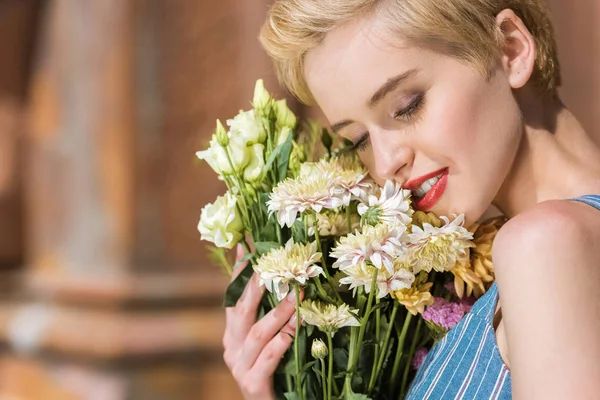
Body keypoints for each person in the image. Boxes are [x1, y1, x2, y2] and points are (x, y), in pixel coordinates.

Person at [222, 0, 600, 398]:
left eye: (407, 106)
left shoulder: (542, 245)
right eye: (360, 141)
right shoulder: (526, 257)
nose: (386, 164)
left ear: (510, 49)